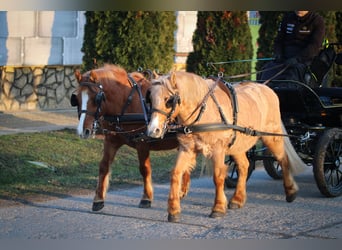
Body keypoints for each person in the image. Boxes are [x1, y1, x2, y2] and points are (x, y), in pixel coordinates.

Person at [259, 11, 325, 86]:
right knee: (267, 71)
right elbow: (279, 40)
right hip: (284, 59)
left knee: (292, 78)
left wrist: (297, 59)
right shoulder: (288, 18)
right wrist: (278, 54)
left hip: (304, 61)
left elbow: (314, 46)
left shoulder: (317, 21)